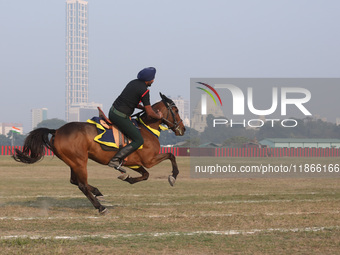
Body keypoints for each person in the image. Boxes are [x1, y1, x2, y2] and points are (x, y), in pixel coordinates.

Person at [108, 67, 163, 170]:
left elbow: (132, 102)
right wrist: (159, 116)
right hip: (120, 117)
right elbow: (150, 113)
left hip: (112, 111)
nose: (153, 80)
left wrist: (143, 107)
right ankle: (115, 160)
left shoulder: (133, 83)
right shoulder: (144, 91)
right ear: (148, 80)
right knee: (138, 140)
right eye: (153, 78)